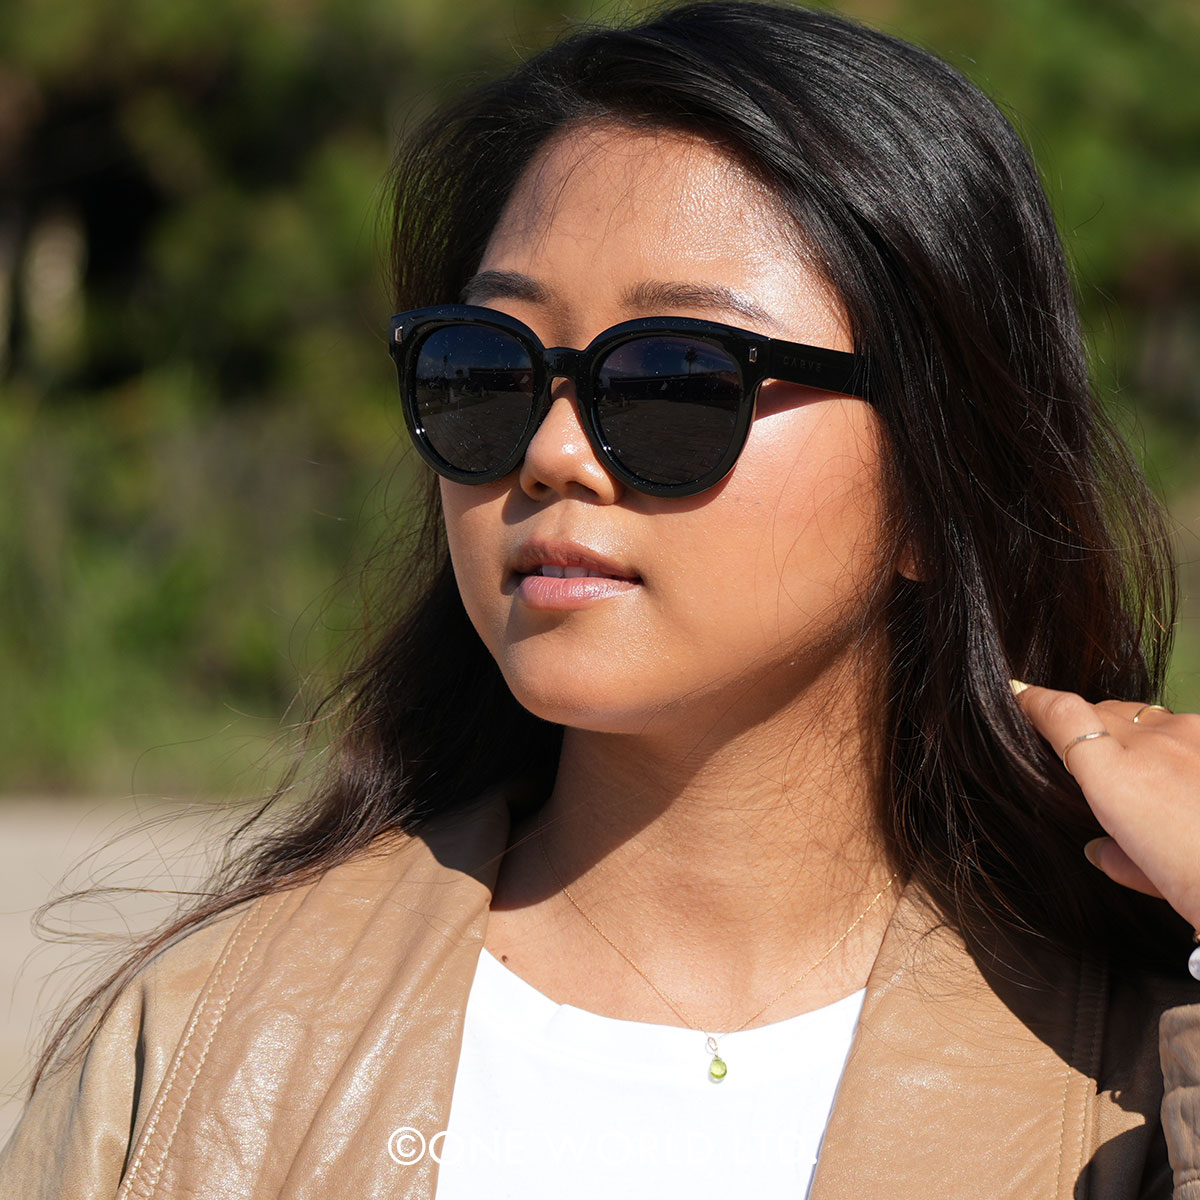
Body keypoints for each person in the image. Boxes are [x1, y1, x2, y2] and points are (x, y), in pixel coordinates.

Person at [3, 2, 1199, 1196]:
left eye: (677, 378)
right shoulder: (202, 1055)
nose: (553, 452)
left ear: (939, 487)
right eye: (489, 369)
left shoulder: (1139, 1086)